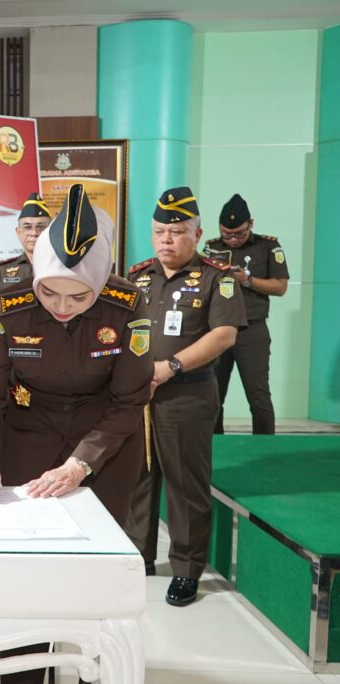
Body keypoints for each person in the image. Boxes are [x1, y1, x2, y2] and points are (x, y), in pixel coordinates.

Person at [0, 184, 152, 684]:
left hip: (105, 444)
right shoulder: (7, 304)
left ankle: (97, 672)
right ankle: (23, 674)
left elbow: (129, 401)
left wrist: (80, 463)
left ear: (101, 283)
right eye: (49, 292)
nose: (61, 307)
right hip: (29, 434)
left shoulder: (128, 305)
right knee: (26, 576)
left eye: (78, 296)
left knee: (96, 579)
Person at [124, 186, 246, 607]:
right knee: (138, 479)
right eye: (159, 232)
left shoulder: (217, 278)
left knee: (184, 484)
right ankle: (138, 558)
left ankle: (187, 569)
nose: (166, 240)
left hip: (186, 395)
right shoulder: (138, 277)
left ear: (196, 234)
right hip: (138, 396)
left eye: (176, 232)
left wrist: (170, 367)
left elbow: (224, 335)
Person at [203, 193, 289, 434]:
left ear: (251, 223)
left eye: (239, 234)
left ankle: (265, 446)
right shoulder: (211, 248)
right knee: (213, 395)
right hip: (218, 329)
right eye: (226, 234)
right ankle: (215, 445)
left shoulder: (268, 246)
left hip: (252, 330)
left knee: (258, 396)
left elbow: (280, 287)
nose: (232, 239)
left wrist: (248, 280)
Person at [0, 192, 52, 292]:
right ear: (18, 232)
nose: (34, 233)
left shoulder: (63, 268)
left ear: (51, 231)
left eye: (40, 227)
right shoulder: (2, 271)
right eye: (28, 227)